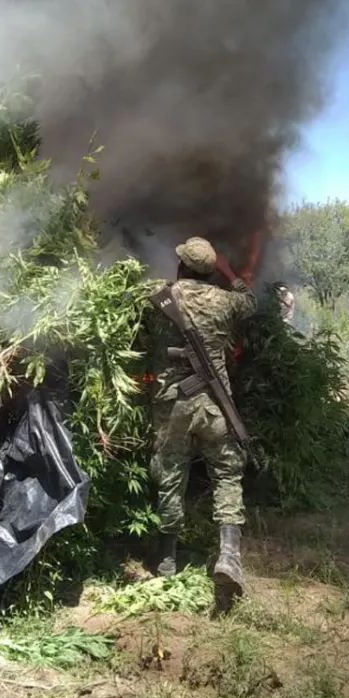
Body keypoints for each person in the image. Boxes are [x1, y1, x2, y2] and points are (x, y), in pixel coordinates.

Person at [147, 237, 257, 598]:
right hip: (215, 405)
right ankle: (229, 556)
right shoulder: (226, 301)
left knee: (170, 472)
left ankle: (166, 559)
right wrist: (229, 273)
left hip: (173, 403)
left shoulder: (158, 297)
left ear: (180, 266)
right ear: (209, 270)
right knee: (227, 473)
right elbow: (250, 301)